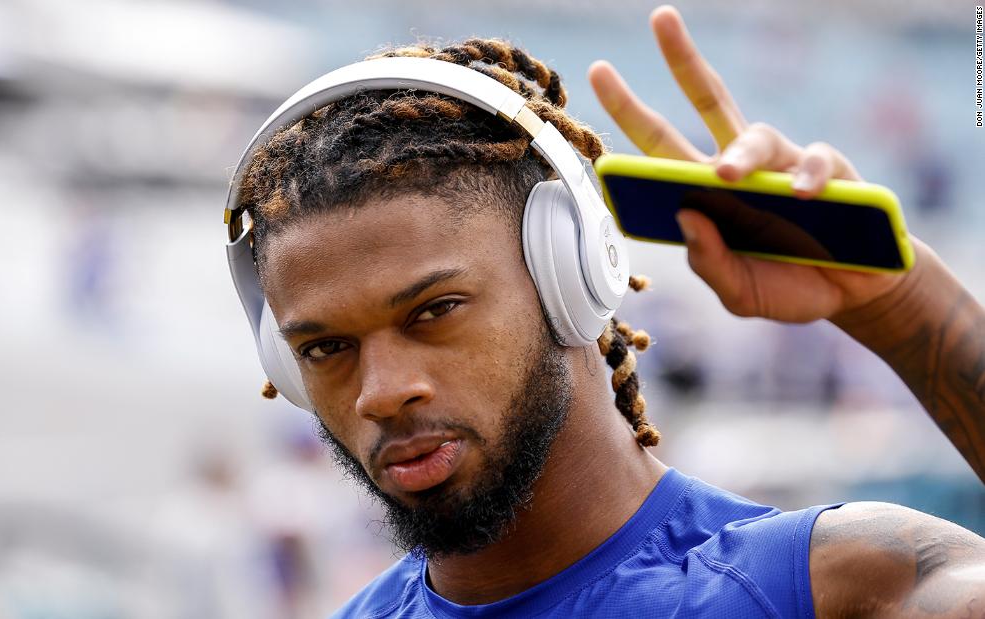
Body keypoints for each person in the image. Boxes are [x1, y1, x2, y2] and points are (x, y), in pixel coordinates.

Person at [230, 6, 985, 617]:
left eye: (435, 310)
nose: (381, 391)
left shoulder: (831, 586)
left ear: (571, 275)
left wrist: (899, 303)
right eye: (326, 348)